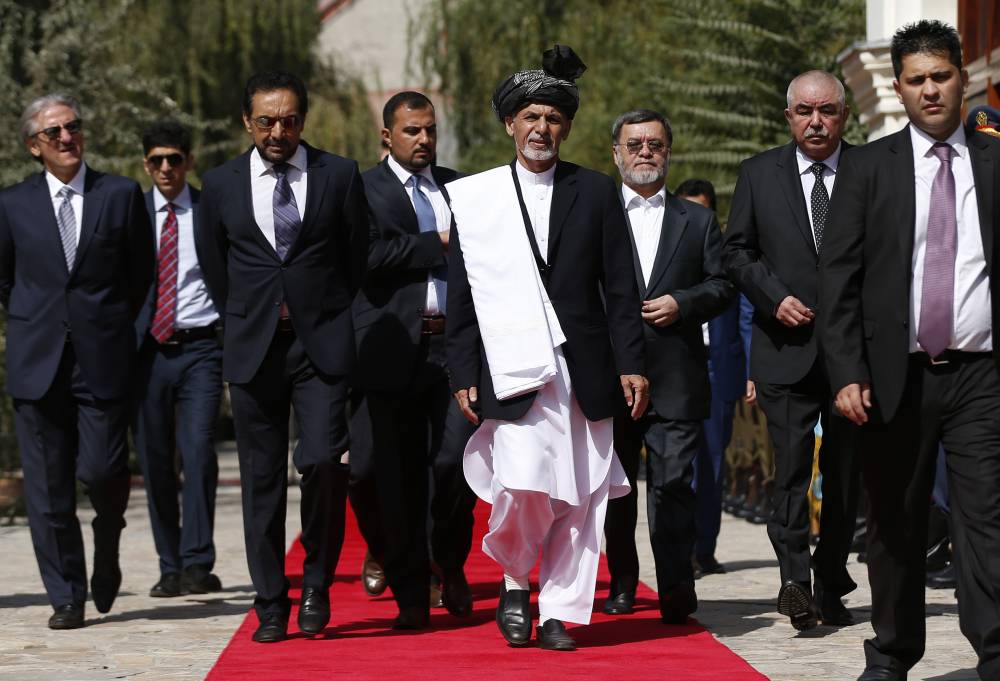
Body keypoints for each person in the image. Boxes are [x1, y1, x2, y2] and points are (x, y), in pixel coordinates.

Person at [446, 45, 648, 651]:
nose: (542, 128)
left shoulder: (595, 191)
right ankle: (514, 579)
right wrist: (462, 370)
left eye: (553, 118)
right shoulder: (478, 201)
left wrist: (632, 362)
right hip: (510, 368)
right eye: (530, 117)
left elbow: (620, 286)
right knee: (523, 484)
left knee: (583, 494)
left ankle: (561, 609)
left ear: (567, 127)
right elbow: (462, 296)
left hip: (582, 367)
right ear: (510, 123)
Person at [820, 20, 1000, 681]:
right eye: (917, 79)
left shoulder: (994, 161)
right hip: (896, 377)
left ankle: (997, 651)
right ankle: (892, 654)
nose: (930, 89)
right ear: (897, 88)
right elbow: (838, 279)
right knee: (895, 525)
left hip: (983, 374)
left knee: (987, 519)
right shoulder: (867, 168)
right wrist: (846, 372)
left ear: (965, 79)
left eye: (942, 76)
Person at [196, 71, 368, 643]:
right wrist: (252, 315)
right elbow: (218, 268)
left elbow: (354, 257)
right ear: (247, 122)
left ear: (303, 121)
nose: (278, 130)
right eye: (267, 120)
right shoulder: (219, 185)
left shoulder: (338, 175)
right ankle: (270, 601)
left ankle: (317, 579)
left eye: (289, 120)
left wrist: (322, 312)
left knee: (321, 463)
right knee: (260, 481)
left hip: (320, 347)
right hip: (254, 349)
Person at [0, 93, 154, 629]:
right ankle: (67, 594)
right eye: (54, 133)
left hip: (102, 358)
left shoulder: (120, 194)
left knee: (103, 470)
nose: (67, 138)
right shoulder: (12, 204)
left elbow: (141, 276)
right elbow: (6, 279)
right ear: (33, 146)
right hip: (36, 361)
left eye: (73, 127)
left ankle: (108, 537)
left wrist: (111, 327)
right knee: (46, 491)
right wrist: (34, 322)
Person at [723, 70, 859, 631]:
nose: (816, 121)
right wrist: (774, 298)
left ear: (843, 115)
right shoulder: (759, 174)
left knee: (846, 478)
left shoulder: (868, 171)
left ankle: (830, 583)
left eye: (827, 111)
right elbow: (737, 252)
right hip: (785, 351)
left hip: (853, 356)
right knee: (790, 474)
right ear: (788, 117)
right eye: (805, 112)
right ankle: (794, 583)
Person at [350, 91, 477, 628]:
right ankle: (410, 594)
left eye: (429, 130)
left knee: (453, 465)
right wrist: (437, 243)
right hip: (392, 348)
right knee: (390, 474)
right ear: (387, 136)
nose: (424, 140)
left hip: (455, 348)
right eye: (411, 131)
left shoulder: (460, 186)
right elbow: (364, 255)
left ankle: (449, 564)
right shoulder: (361, 189)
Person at [602, 115, 733, 622]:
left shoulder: (696, 220)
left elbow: (722, 286)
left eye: (655, 144)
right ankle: (622, 584)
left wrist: (683, 301)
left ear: (669, 152)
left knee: (674, 486)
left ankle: (676, 585)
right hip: (612, 378)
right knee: (615, 491)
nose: (644, 152)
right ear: (616, 152)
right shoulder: (597, 211)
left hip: (677, 378)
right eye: (634, 144)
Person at [133, 121, 224, 599]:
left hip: (201, 349)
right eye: (156, 160)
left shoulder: (209, 209)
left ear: (188, 162)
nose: (166, 168)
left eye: (174, 159)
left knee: (198, 452)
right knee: (155, 461)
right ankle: (169, 565)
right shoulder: (131, 211)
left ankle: (196, 562)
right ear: (145, 164)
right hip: (147, 352)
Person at [675, 178, 747, 578]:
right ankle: (680, 548)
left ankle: (705, 548)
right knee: (680, 465)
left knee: (713, 463)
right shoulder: (665, 253)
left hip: (718, 368)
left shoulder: (726, 257)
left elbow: (745, 316)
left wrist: (750, 371)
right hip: (677, 367)